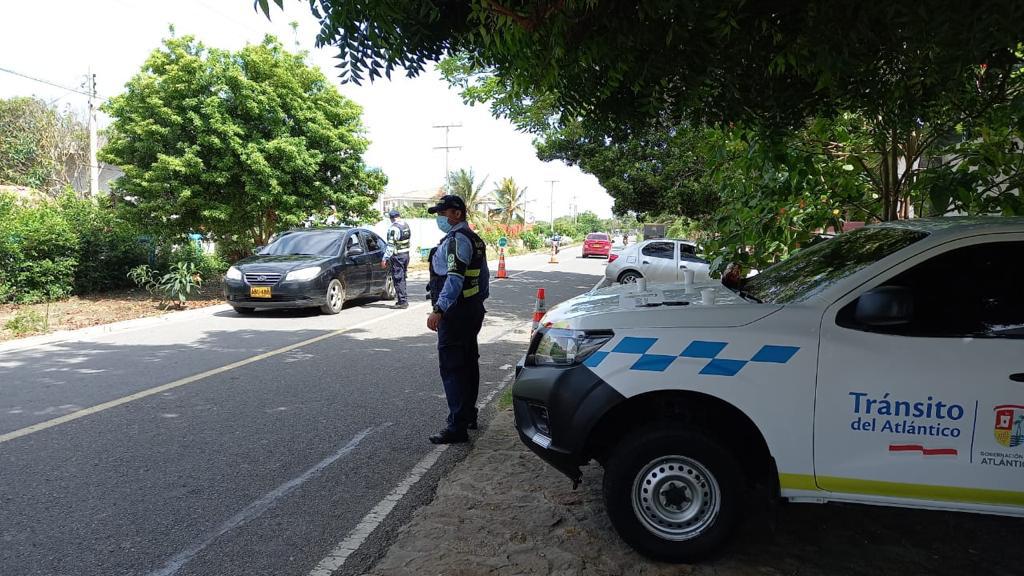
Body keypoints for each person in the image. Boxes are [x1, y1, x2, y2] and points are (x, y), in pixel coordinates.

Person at [425, 195, 489, 444]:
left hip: (456, 312)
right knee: (468, 363)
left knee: (453, 367)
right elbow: (483, 279)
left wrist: (439, 309)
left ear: (457, 214)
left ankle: (457, 427)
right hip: (470, 309)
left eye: (443, 213)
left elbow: (454, 278)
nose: (440, 218)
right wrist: (477, 303)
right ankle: (468, 415)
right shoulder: (474, 239)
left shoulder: (457, 240)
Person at [381, 209, 411, 308]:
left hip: (398, 257)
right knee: (402, 278)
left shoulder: (394, 228)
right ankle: (403, 300)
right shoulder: (405, 225)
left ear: (391, 218)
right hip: (406, 255)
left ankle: (402, 302)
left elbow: (390, 245)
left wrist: (385, 258)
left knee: (398, 279)